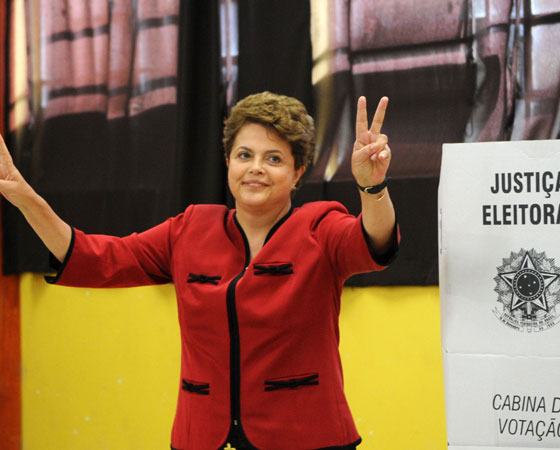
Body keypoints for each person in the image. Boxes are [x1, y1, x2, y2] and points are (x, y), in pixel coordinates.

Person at [0, 91, 398, 450]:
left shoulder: (321, 227)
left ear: (297, 173)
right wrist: (24, 196)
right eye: (245, 155)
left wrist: (372, 188)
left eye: (273, 158)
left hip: (307, 437)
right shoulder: (189, 229)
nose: (256, 168)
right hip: (201, 436)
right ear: (228, 162)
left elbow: (374, 242)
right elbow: (98, 258)